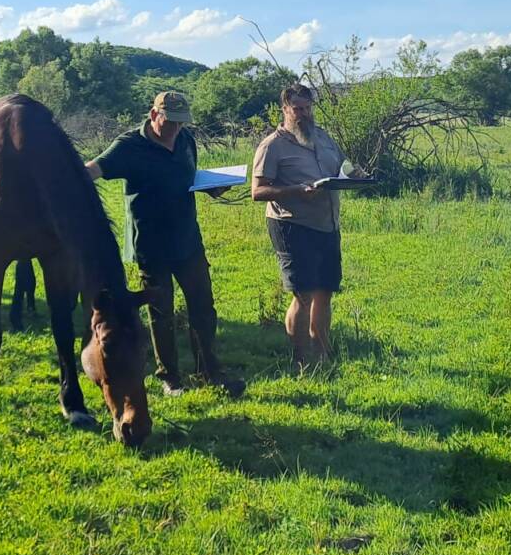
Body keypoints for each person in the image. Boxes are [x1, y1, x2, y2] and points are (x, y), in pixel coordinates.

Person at [86, 90, 244, 397]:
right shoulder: (129, 146)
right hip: (151, 243)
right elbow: (95, 168)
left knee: (203, 306)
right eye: (170, 121)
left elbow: (186, 178)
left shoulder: (186, 141)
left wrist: (211, 188)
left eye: (181, 122)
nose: (175, 128)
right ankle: (170, 377)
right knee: (161, 312)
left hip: (187, 238)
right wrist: (67, 180)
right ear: (154, 113)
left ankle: (211, 370)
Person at [251, 82, 348, 368]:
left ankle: (322, 353)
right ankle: (301, 359)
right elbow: (258, 192)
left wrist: (356, 175)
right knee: (303, 293)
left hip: (327, 223)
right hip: (291, 225)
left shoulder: (323, 137)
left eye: (307, 108)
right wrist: (296, 190)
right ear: (285, 109)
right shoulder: (272, 146)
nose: (304, 114)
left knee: (325, 290)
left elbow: (340, 168)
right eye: (297, 109)